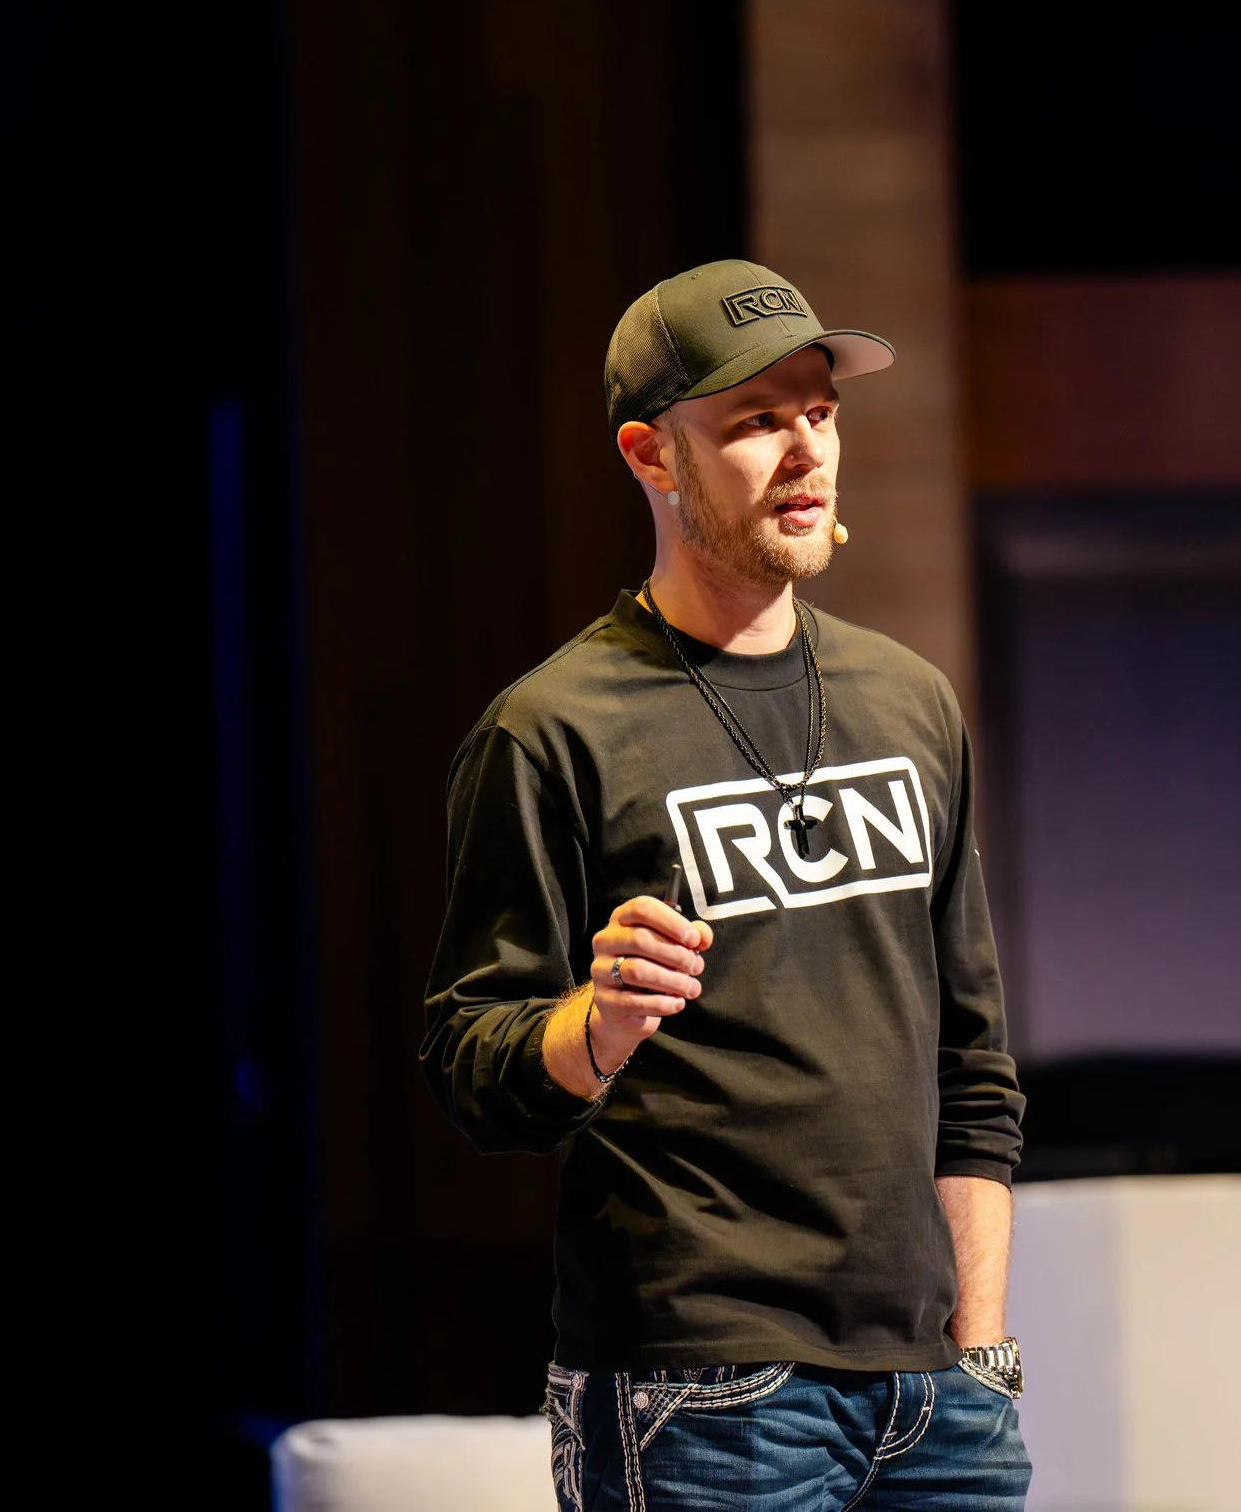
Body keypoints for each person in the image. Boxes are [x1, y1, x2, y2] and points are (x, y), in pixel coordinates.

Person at [422, 259, 1030, 1511]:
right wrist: (595, 1027)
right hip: (702, 1391)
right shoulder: (552, 729)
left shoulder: (908, 701)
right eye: (756, 420)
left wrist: (978, 1352)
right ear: (652, 453)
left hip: (937, 1401)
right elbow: (468, 1062)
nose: (807, 451)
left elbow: (971, 1063)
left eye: (820, 411)